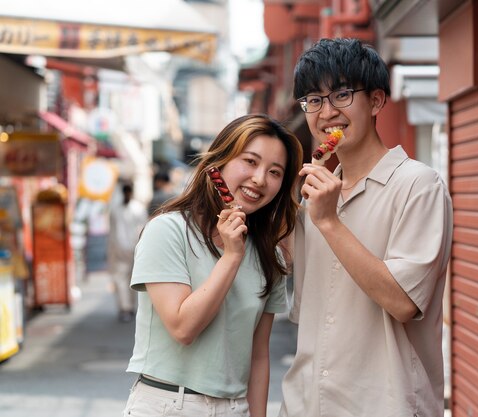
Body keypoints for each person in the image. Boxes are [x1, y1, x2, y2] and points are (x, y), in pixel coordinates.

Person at [279, 38, 453, 417]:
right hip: (307, 404)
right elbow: (306, 307)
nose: (326, 113)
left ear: (376, 101)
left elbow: (403, 303)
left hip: (385, 405)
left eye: (341, 95)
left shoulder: (418, 186)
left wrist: (328, 221)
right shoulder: (313, 196)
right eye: (313, 100)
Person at [124, 114, 303, 417]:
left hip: (235, 408)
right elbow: (183, 328)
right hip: (167, 404)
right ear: (218, 164)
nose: (260, 179)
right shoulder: (167, 231)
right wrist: (232, 256)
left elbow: (258, 356)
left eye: (274, 172)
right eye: (250, 161)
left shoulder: (268, 253)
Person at [108, 182, 147, 322]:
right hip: (134, 248)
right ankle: (128, 307)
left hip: (121, 249)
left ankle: (126, 307)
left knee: (122, 278)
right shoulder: (138, 208)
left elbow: (112, 233)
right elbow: (143, 230)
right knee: (130, 278)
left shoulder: (116, 209)